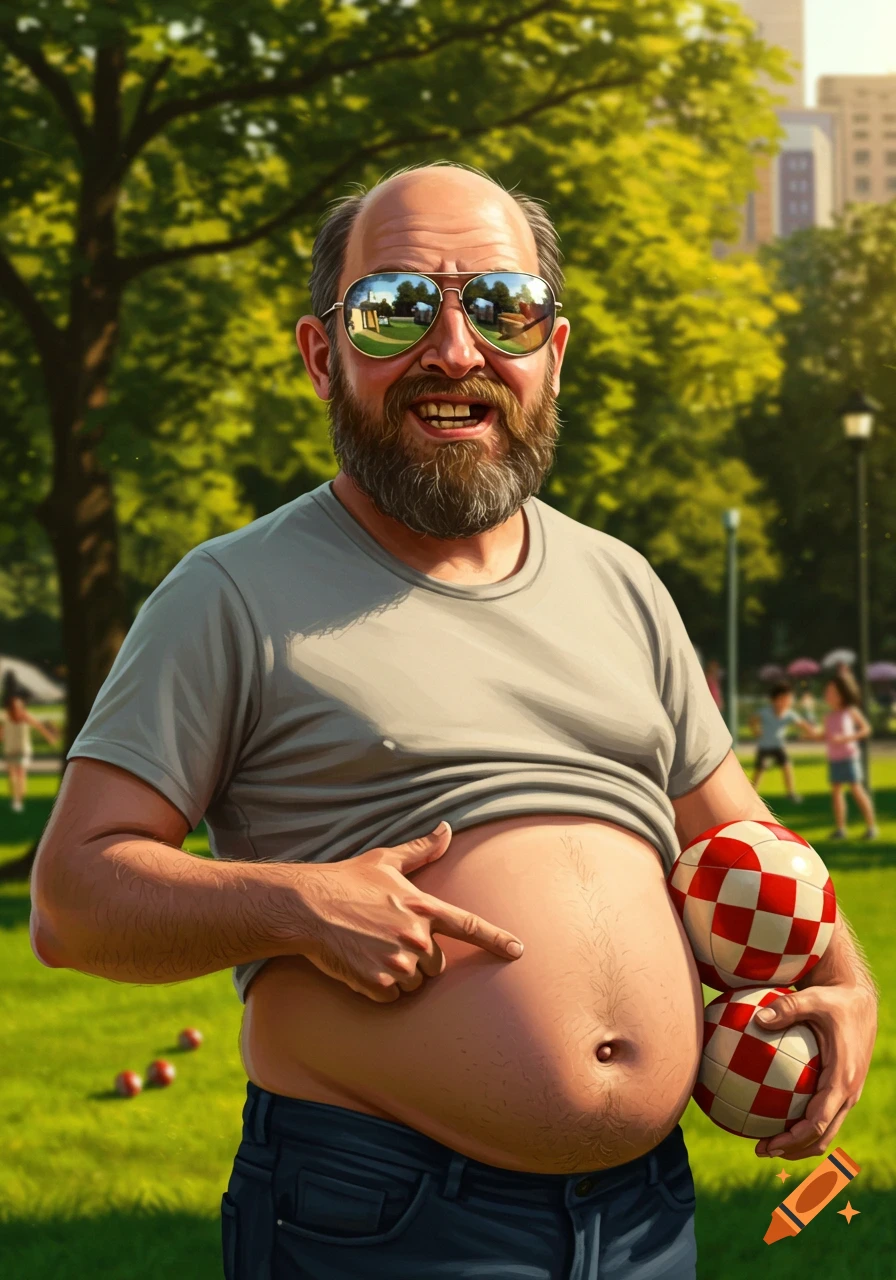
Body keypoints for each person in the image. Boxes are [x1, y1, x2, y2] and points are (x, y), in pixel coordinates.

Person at [30, 164, 877, 1280]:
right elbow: (72, 899)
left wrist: (846, 980)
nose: (453, 350)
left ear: (551, 351)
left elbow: (747, 841)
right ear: (322, 354)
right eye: (393, 308)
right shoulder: (226, 593)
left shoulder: (620, 581)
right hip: (376, 1214)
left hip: (642, 1217)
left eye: (498, 306)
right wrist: (297, 902)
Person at [812, 671, 878, 840]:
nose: (828, 695)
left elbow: (866, 729)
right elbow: (825, 736)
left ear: (843, 693)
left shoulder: (850, 711)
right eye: (828, 692)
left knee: (857, 790)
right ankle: (840, 829)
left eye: (832, 692)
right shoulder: (829, 716)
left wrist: (846, 738)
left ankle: (871, 827)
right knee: (836, 793)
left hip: (849, 757)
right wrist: (810, 735)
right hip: (835, 759)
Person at [749, 680, 813, 803]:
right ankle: (751, 795)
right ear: (776, 699)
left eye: (789, 699)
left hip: (779, 746)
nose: (789, 701)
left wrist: (812, 734)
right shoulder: (765, 712)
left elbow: (802, 724)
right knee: (759, 770)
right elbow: (752, 720)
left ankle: (790, 793)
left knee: (787, 767)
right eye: (786, 698)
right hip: (765, 746)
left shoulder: (789, 714)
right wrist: (755, 731)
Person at [1, 690, 59, 813]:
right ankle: (15, 799)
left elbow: (39, 726)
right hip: (10, 750)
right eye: (14, 707)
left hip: (23, 750)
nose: (17, 709)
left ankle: (19, 801)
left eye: (18, 707)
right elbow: (2, 732)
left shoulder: (25, 716)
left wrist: (49, 737)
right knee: (12, 776)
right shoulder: (6, 718)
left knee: (21, 774)